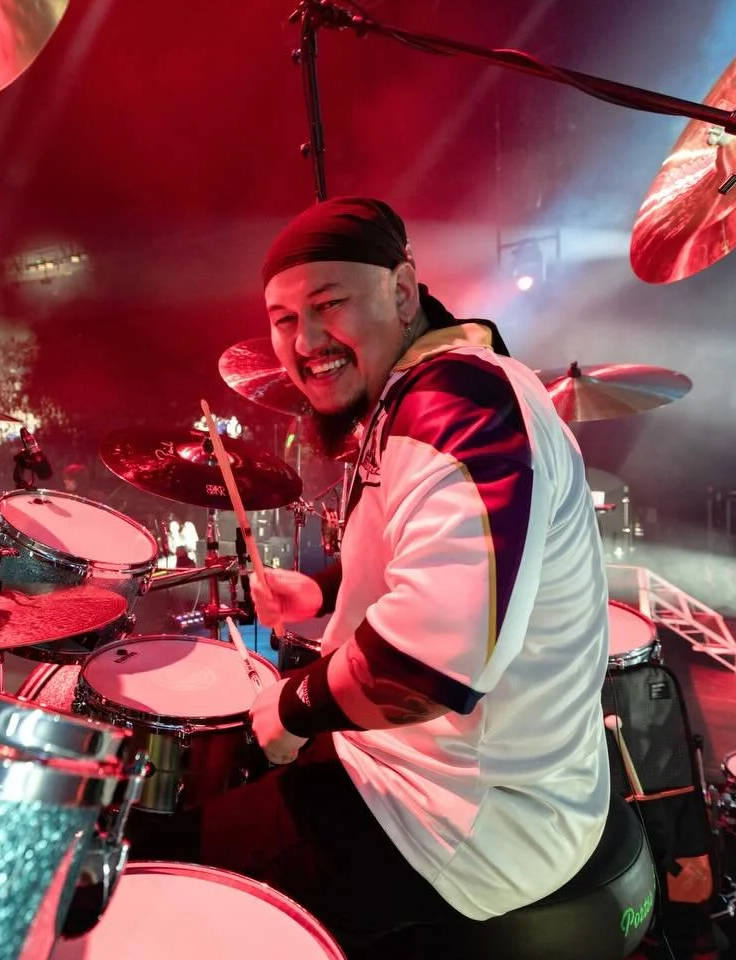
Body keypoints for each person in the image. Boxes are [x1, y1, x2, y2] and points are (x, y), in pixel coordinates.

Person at [132, 197, 611, 958]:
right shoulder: (431, 392)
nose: (305, 341)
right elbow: (430, 556)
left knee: (167, 876)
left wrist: (287, 709)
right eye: (284, 319)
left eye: (329, 306)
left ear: (401, 291)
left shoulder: (457, 403)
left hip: (468, 820)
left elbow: (426, 667)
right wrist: (318, 592)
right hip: (445, 771)